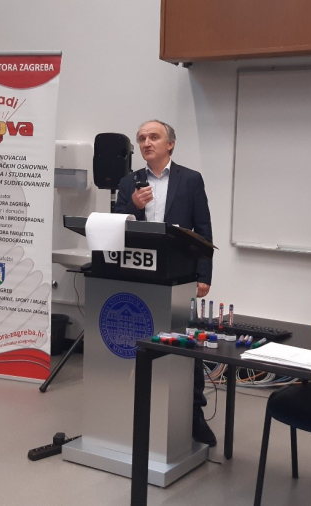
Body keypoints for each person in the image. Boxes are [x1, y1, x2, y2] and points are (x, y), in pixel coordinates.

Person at [115, 119, 216, 446]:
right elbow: (115, 225)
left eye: (154, 137)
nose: (146, 143)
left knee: (186, 345)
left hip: (180, 276)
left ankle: (194, 415)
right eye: (142, 138)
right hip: (140, 275)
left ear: (170, 144)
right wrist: (134, 206)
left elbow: (203, 229)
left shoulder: (190, 179)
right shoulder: (129, 182)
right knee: (141, 341)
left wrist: (204, 275)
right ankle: (138, 411)